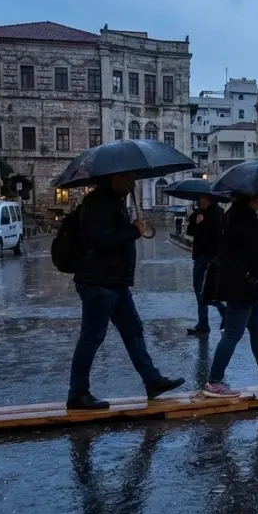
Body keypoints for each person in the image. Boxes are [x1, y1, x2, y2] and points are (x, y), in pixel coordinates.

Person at [67, 173, 184, 410]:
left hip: (115, 281)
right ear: (114, 179)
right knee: (92, 338)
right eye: (129, 179)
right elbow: (103, 238)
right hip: (98, 281)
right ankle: (78, 393)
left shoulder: (113, 201)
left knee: (134, 331)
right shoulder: (98, 203)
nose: (133, 184)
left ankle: (152, 381)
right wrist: (133, 231)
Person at [203, 194, 258, 397]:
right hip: (240, 284)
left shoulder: (235, 215)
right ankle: (214, 381)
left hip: (240, 282)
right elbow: (257, 249)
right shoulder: (243, 218)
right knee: (233, 332)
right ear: (250, 198)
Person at [185, 194, 224, 335]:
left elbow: (218, 235)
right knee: (199, 290)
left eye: (205, 199)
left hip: (211, 257)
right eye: (200, 199)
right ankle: (204, 322)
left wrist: (204, 223)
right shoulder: (197, 214)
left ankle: (222, 312)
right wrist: (197, 222)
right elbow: (190, 231)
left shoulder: (218, 214)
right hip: (200, 256)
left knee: (204, 291)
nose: (202, 201)